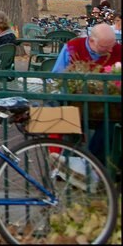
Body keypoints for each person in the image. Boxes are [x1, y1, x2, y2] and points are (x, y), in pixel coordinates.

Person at [51, 23, 122, 168]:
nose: (110, 50)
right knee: (54, 110)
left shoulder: (118, 50)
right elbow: (56, 78)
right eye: (105, 46)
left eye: (112, 45)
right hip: (75, 104)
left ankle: (89, 165)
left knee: (112, 123)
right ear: (91, 41)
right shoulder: (72, 47)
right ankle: (61, 163)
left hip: (107, 108)